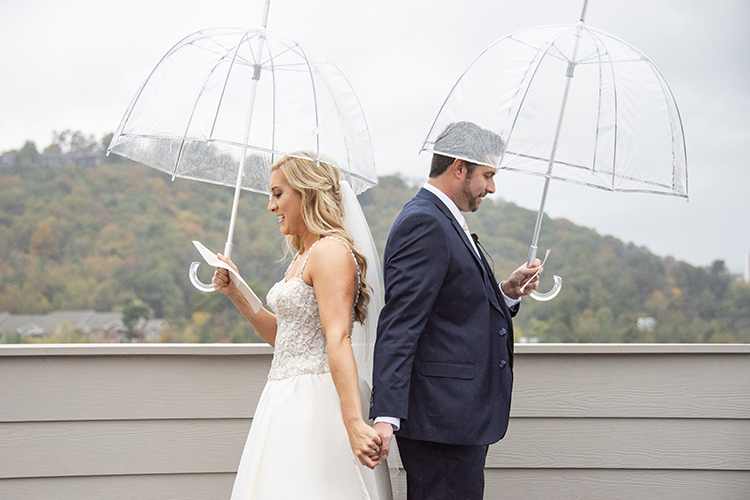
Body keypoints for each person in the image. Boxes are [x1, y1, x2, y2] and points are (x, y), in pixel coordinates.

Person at [369, 122, 543, 500]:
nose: (492, 188)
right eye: (488, 175)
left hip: (455, 418)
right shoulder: (424, 222)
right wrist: (386, 416)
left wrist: (507, 293)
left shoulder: (444, 219)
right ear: (459, 167)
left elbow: (453, 309)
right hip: (439, 420)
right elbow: (400, 323)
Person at [213, 153, 389, 499]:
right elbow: (286, 338)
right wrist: (236, 291)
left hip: (316, 403)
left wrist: (353, 423)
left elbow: (337, 339)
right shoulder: (302, 256)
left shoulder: (330, 253)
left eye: (278, 194)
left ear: (307, 193)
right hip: (283, 399)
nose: (270, 206)